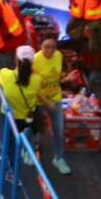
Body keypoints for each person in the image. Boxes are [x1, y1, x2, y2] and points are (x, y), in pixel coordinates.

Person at [33, 36, 72, 174]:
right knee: (36, 129)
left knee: (59, 131)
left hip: (55, 97)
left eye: (53, 47)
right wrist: (47, 102)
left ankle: (59, 158)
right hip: (39, 99)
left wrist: (66, 78)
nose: (50, 50)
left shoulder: (58, 56)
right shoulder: (35, 60)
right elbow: (33, 87)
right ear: (40, 46)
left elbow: (57, 76)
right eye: (46, 47)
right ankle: (30, 151)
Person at [0, 45, 43, 154]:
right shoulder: (37, 79)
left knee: (10, 143)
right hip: (27, 117)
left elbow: (0, 86)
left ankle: (9, 167)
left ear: (16, 59)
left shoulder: (4, 73)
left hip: (9, 116)